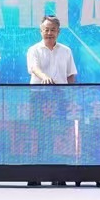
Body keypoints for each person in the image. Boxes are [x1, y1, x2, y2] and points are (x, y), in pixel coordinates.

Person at [26, 15, 77, 186]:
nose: (49, 33)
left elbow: (71, 75)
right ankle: (36, 175)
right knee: (39, 133)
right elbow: (34, 68)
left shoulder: (66, 51)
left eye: (53, 30)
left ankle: (58, 174)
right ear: (40, 31)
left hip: (60, 96)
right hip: (39, 95)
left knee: (58, 133)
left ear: (58, 32)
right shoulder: (34, 49)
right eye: (46, 30)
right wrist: (45, 77)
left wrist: (71, 95)